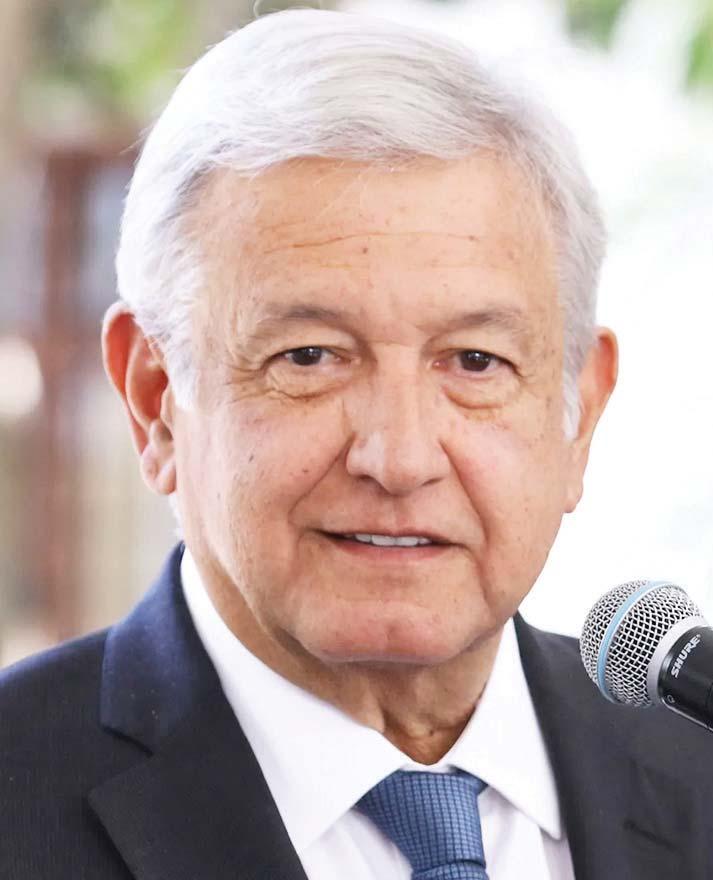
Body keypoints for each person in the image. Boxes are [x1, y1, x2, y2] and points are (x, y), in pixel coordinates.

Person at [1, 9, 711, 880]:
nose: (399, 458)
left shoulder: (695, 764)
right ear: (155, 401)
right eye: (310, 357)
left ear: (579, 414)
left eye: (475, 362)